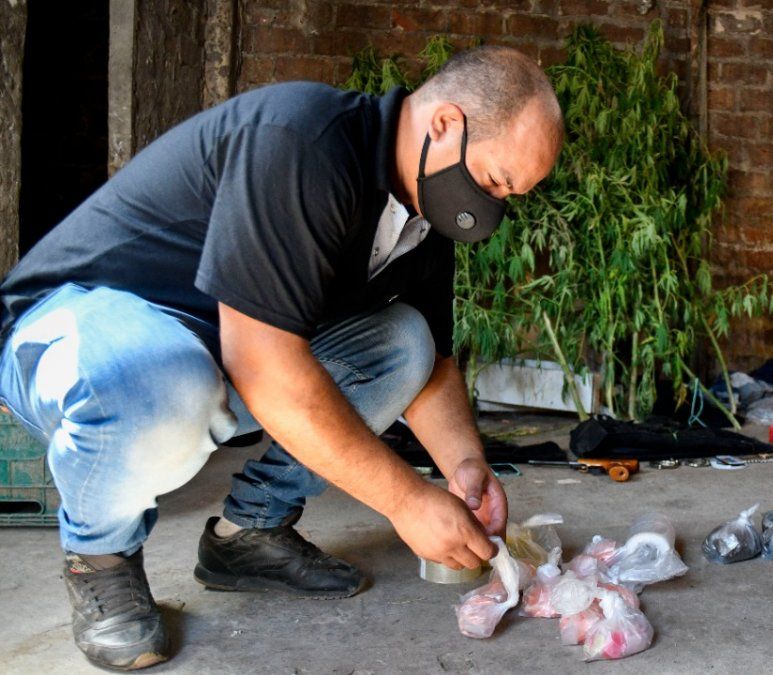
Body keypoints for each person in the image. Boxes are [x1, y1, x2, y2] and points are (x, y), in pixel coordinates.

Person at [0, 46, 563, 669]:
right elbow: (265, 366)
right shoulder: (304, 141)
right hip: (83, 332)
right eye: (492, 180)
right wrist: (406, 501)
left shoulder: (420, 216)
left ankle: (249, 535)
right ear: (444, 125)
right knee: (159, 383)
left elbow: (428, 365)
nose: (489, 208)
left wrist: (463, 467)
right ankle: (100, 559)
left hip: (211, 359)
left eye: (508, 195)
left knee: (404, 341)